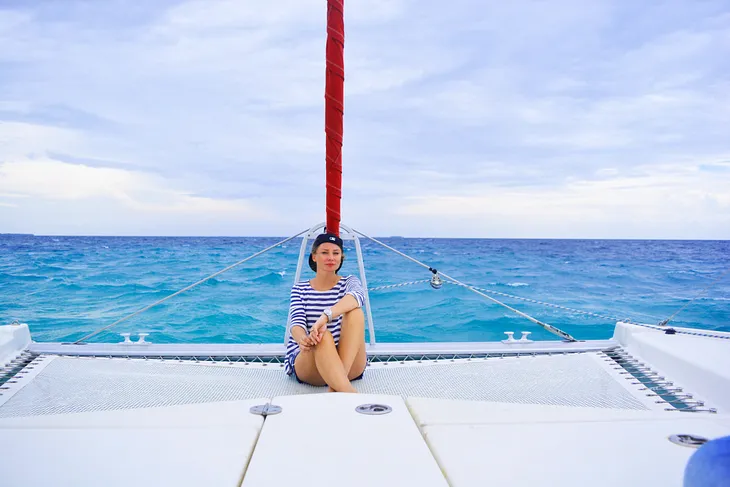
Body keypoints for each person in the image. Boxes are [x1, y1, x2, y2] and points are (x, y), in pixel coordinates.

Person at [284, 232, 367, 392]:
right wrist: (303, 339)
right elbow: (296, 323)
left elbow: (358, 296)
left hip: (348, 361)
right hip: (312, 361)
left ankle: (337, 384)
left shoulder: (349, 282)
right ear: (314, 257)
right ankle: (347, 391)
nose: (331, 257)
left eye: (335, 253)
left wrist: (325, 316)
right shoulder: (300, 288)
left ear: (341, 257)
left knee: (355, 312)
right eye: (324, 252)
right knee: (322, 336)